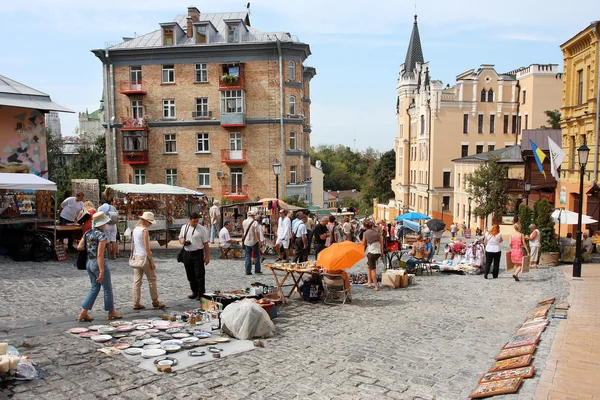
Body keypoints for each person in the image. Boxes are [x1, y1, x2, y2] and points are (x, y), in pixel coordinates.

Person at [77, 212, 122, 322]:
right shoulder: (101, 236)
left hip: (89, 262)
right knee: (107, 287)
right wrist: (101, 270)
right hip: (98, 263)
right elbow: (100, 254)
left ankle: (84, 311)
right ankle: (111, 311)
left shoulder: (88, 233)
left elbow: (79, 247)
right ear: (102, 224)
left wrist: (90, 248)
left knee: (94, 287)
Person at [131, 212, 166, 309]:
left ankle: (136, 302)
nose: (150, 224)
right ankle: (155, 301)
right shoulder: (144, 230)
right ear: (145, 221)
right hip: (144, 257)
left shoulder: (135, 229)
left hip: (137, 256)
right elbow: (147, 248)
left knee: (137, 281)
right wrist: (152, 261)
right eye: (150, 222)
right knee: (152, 280)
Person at [179, 212, 210, 299]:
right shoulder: (184, 227)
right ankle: (194, 291)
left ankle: (201, 293)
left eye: (197, 221)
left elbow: (206, 244)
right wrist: (182, 241)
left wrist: (207, 256)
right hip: (187, 252)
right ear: (189, 220)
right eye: (194, 221)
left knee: (199, 275)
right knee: (190, 274)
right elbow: (180, 237)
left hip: (197, 253)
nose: (196, 223)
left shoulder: (202, 229)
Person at [362, 219, 383, 291]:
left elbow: (363, 244)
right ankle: (369, 282)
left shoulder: (365, 233)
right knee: (368, 266)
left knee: (373, 269)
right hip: (378, 252)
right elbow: (381, 242)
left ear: (365, 226)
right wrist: (382, 252)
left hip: (371, 253)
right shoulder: (376, 232)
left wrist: (358, 239)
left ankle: (376, 286)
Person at [98, 189, 118, 259]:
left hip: (106, 224)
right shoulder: (113, 207)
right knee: (114, 240)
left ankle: (109, 254)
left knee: (108, 240)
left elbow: (98, 216)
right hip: (113, 224)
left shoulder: (101, 208)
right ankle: (114, 255)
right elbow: (117, 216)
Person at [242, 210, 262, 275]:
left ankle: (247, 271)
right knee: (257, 256)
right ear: (253, 215)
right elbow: (257, 233)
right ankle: (257, 270)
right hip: (254, 241)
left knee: (247, 256)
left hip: (246, 241)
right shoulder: (255, 222)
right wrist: (259, 241)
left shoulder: (244, 222)